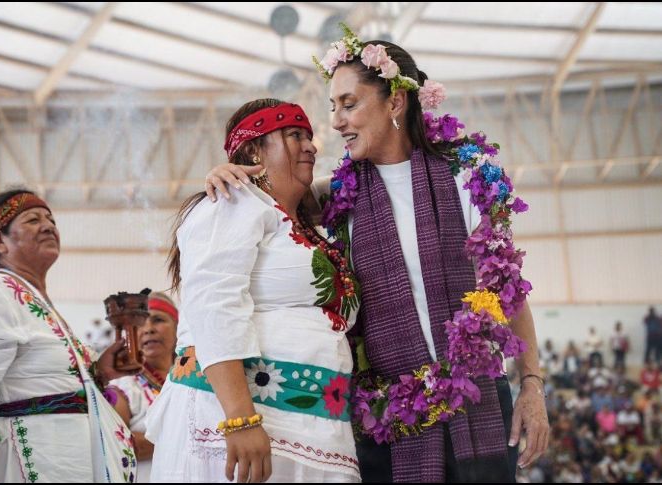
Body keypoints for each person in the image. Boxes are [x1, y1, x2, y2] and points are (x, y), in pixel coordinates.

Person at [205, 31, 549, 482]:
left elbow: (508, 289)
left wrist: (531, 384)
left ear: (394, 103)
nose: (337, 122)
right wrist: (228, 170)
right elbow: (268, 193)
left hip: (479, 401)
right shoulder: (334, 197)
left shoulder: (467, 176)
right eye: (333, 107)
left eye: (348, 104)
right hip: (390, 420)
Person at [145, 99, 361, 483]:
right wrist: (240, 419)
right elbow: (214, 304)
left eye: (310, 137)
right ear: (252, 150)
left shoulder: (301, 220)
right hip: (238, 424)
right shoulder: (232, 200)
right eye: (295, 135)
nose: (311, 146)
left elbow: (371, 180)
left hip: (312, 428)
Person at [0, 189, 137, 483]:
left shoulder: (33, 300)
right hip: (20, 466)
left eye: (51, 220)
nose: (48, 226)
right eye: (33, 220)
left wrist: (100, 371)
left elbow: (43, 382)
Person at [109, 292, 178, 482]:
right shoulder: (122, 387)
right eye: (141, 323)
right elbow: (115, 445)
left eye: (158, 320)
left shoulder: (193, 381)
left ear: (178, 328)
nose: (148, 329)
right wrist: (181, 439)